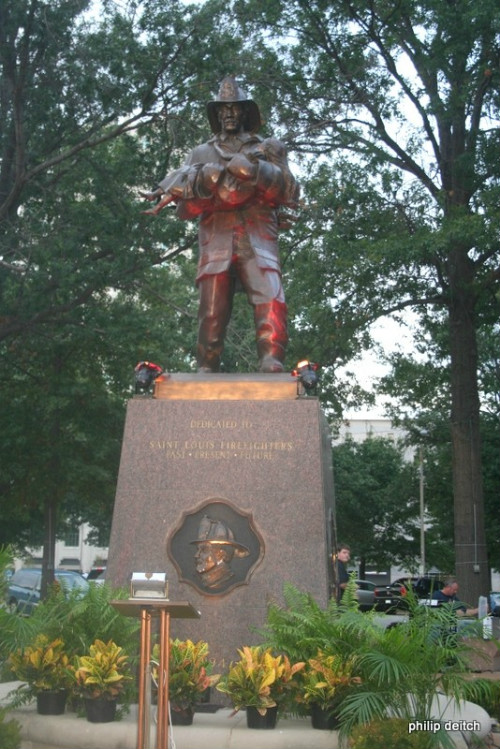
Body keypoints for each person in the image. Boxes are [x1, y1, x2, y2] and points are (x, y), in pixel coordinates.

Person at [141, 76, 300, 373]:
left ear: (244, 112)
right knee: (211, 310)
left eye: (234, 108)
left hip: (258, 235)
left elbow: (289, 189)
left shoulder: (266, 148)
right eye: (222, 109)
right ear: (216, 115)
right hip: (216, 238)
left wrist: (255, 172)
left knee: (271, 298)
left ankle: (271, 359)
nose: (228, 114)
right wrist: (210, 181)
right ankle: (206, 366)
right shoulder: (200, 154)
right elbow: (186, 209)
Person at [191, 515, 249, 590]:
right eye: (197, 549)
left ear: (221, 554)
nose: (196, 555)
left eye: (204, 550)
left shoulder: (224, 579)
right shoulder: (202, 579)